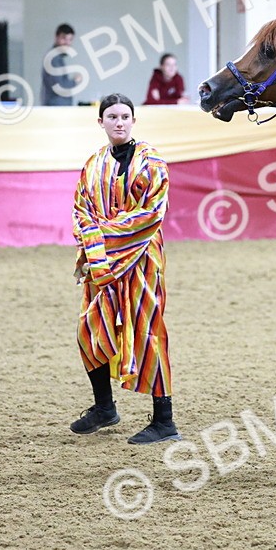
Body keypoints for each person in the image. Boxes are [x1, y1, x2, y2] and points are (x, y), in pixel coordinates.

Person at [71, 93, 180, 444]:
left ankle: (165, 420)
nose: (119, 122)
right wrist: (94, 245)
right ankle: (105, 407)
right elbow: (81, 210)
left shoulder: (152, 163)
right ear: (100, 122)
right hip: (101, 263)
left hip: (143, 261)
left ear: (134, 121)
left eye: (125, 116)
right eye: (112, 116)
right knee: (90, 328)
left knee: (149, 330)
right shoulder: (92, 165)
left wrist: (102, 236)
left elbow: (153, 213)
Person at [42, 23, 81, 106]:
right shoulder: (53, 58)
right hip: (56, 109)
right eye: (64, 38)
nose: (67, 43)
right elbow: (59, 87)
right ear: (56, 37)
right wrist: (75, 80)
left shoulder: (56, 58)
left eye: (70, 39)